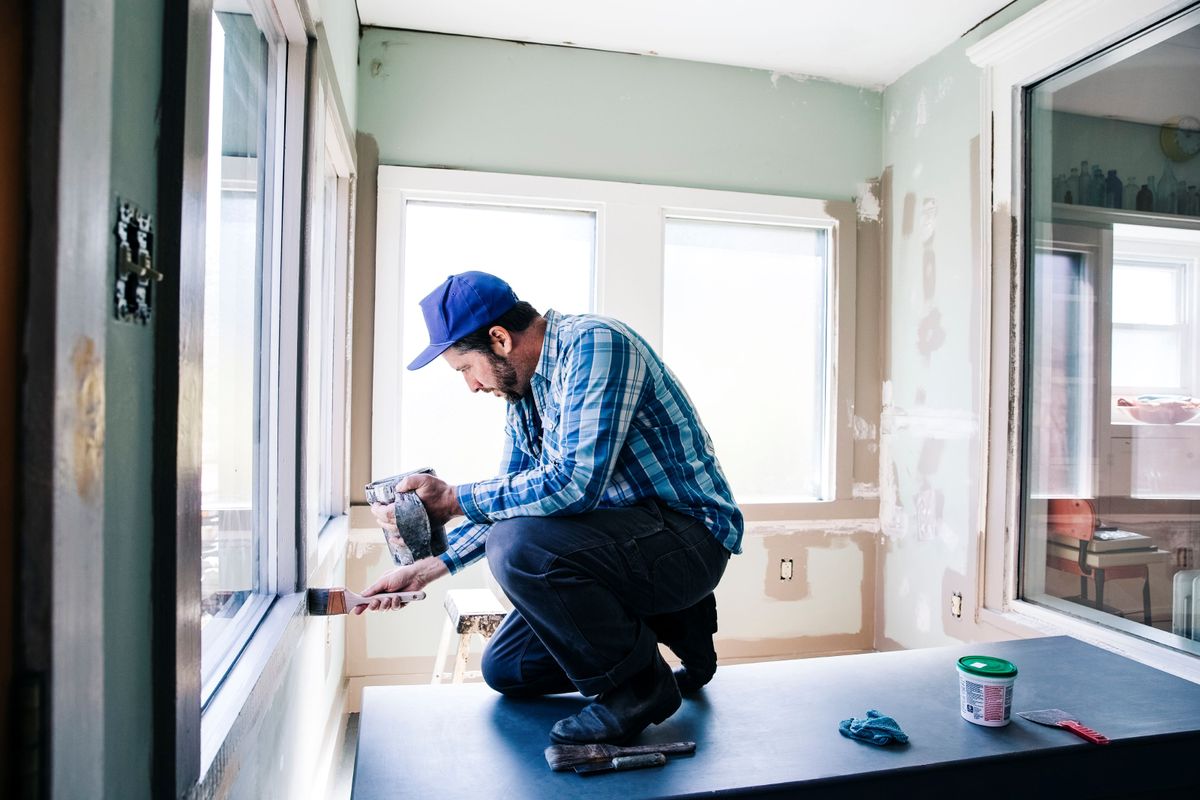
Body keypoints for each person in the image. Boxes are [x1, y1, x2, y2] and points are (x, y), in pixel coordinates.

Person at [359, 270, 743, 745]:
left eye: (465, 369)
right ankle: (671, 622)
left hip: (687, 541)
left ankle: (641, 689)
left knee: (516, 546)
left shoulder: (598, 345)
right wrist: (428, 567)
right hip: (620, 549)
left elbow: (573, 484)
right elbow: (515, 498)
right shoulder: (525, 393)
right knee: (509, 669)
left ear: (499, 339)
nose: (472, 387)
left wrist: (453, 499)